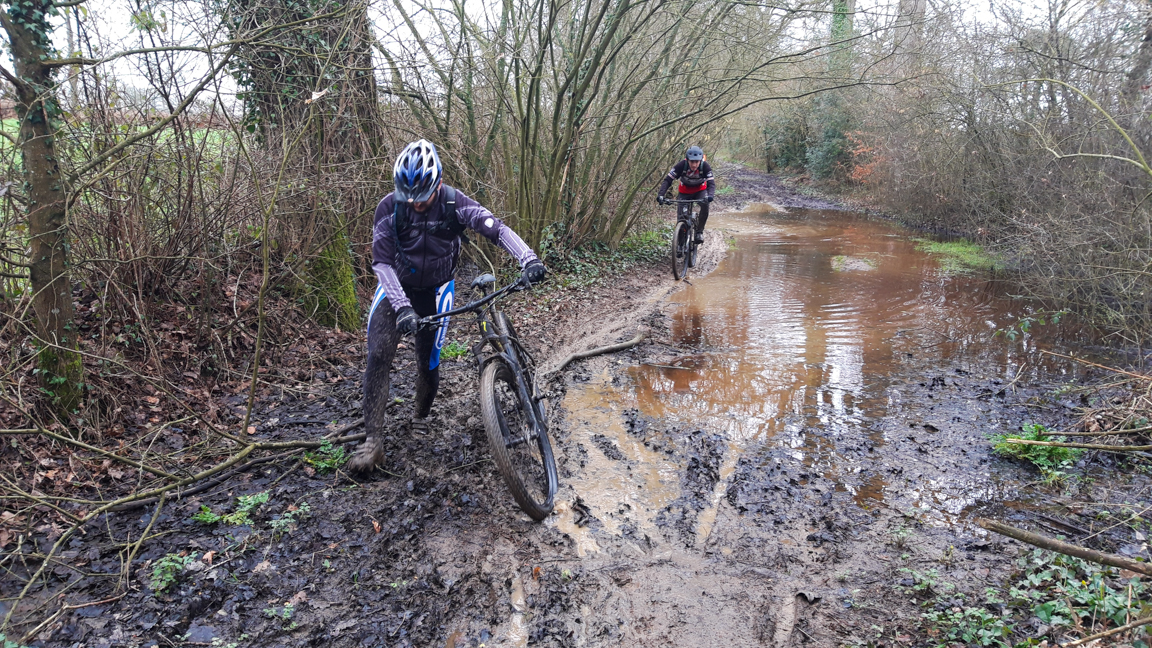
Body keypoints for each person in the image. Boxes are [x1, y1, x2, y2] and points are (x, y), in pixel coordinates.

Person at [348, 139, 546, 473]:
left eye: (422, 197)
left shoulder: (454, 203)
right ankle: (373, 442)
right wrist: (401, 306)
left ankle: (420, 417)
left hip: (438, 288)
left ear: (438, 184)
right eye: (408, 197)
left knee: (428, 361)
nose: (415, 205)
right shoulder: (389, 207)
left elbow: (494, 227)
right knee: (378, 356)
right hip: (396, 287)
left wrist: (528, 258)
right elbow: (381, 263)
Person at [656, 145, 716, 243]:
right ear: (687, 160)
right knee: (681, 218)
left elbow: (711, 183)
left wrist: (710, 195)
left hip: (700, 191)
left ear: (700, 161)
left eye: (697, 162)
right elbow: (668, 180)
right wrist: (661, 195)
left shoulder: (705, 166)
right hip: (684, 192)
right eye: (692, 161)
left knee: (705, 205)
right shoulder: (681, 165)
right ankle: (680, 242)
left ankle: (699, 232)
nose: (694, 165)